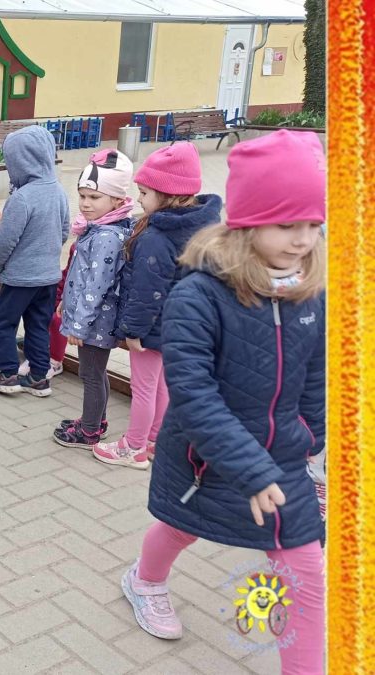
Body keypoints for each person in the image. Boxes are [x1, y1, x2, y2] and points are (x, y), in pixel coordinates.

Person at [120, 130, 325, 675]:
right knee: (181, 527)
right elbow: (191, 393)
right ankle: (144, 580)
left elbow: (315, 375)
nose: (304, 239)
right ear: (250, 219)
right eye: (288, 224)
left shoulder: (310, 290)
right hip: (206, 457)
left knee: (304, 574)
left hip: (281, 459)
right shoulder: (200, 293)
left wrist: (314, 437)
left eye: (313, 224)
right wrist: (249, 468)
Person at [93, 142, 222, 469]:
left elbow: (147, 291)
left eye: (144, 193)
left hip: (152, 328)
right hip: (182, 327)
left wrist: (133, 331)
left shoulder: (156, 237)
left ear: (170, 195)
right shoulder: (203, 225)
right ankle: (154, 440)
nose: (139, 199)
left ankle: (133, 448)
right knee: (162, 384)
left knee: (144, 389)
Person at [54, 149, 134, 448]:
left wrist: (77, 325)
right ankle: (95, 421)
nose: (85, 204)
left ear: (116, 200)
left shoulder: (105, 237)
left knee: (90, 373)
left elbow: (96, 287)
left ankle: (88, 431)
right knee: (95, 372)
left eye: (94, 198)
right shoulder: (101, 228)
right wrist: (66, 301)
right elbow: (80, 275)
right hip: (90, 319)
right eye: (82, 195)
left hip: (94, 323)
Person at [0, 126, 69, 396]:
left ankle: (8, 374)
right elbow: (65, 230)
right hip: (48, 276)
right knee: (37, 325)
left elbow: (6, 241)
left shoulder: (21, 198)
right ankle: (39, 377)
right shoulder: (58, 190)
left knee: (3, 323)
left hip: (20, 278)